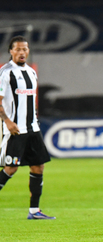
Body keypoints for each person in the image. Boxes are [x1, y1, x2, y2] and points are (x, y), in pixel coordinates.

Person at [0, 36, 55, 220]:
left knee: (38, 167)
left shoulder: (32, 72)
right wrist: (7, 121)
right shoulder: (6, 73)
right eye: (18, 49)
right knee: (10, 168)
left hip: (33, 129)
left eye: (25, 49)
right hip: (16, 130)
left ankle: (34, 211)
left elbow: (30, 100)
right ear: (11, 51)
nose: (22, 52)